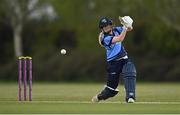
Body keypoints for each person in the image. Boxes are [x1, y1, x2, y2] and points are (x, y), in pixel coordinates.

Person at [92, 17, 136, 103]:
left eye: (107, 25)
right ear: (102, 28)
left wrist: (128, 24)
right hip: (113, 63)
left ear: (110, 25)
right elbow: (120, 39)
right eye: (104, 27)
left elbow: (130, 29)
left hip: (124, 58)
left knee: (130, 72)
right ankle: (99, 97)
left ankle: (130, 96)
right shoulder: (105, 38)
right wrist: (125, 28)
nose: (106, 28)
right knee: (110, 90)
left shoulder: (116, 29)